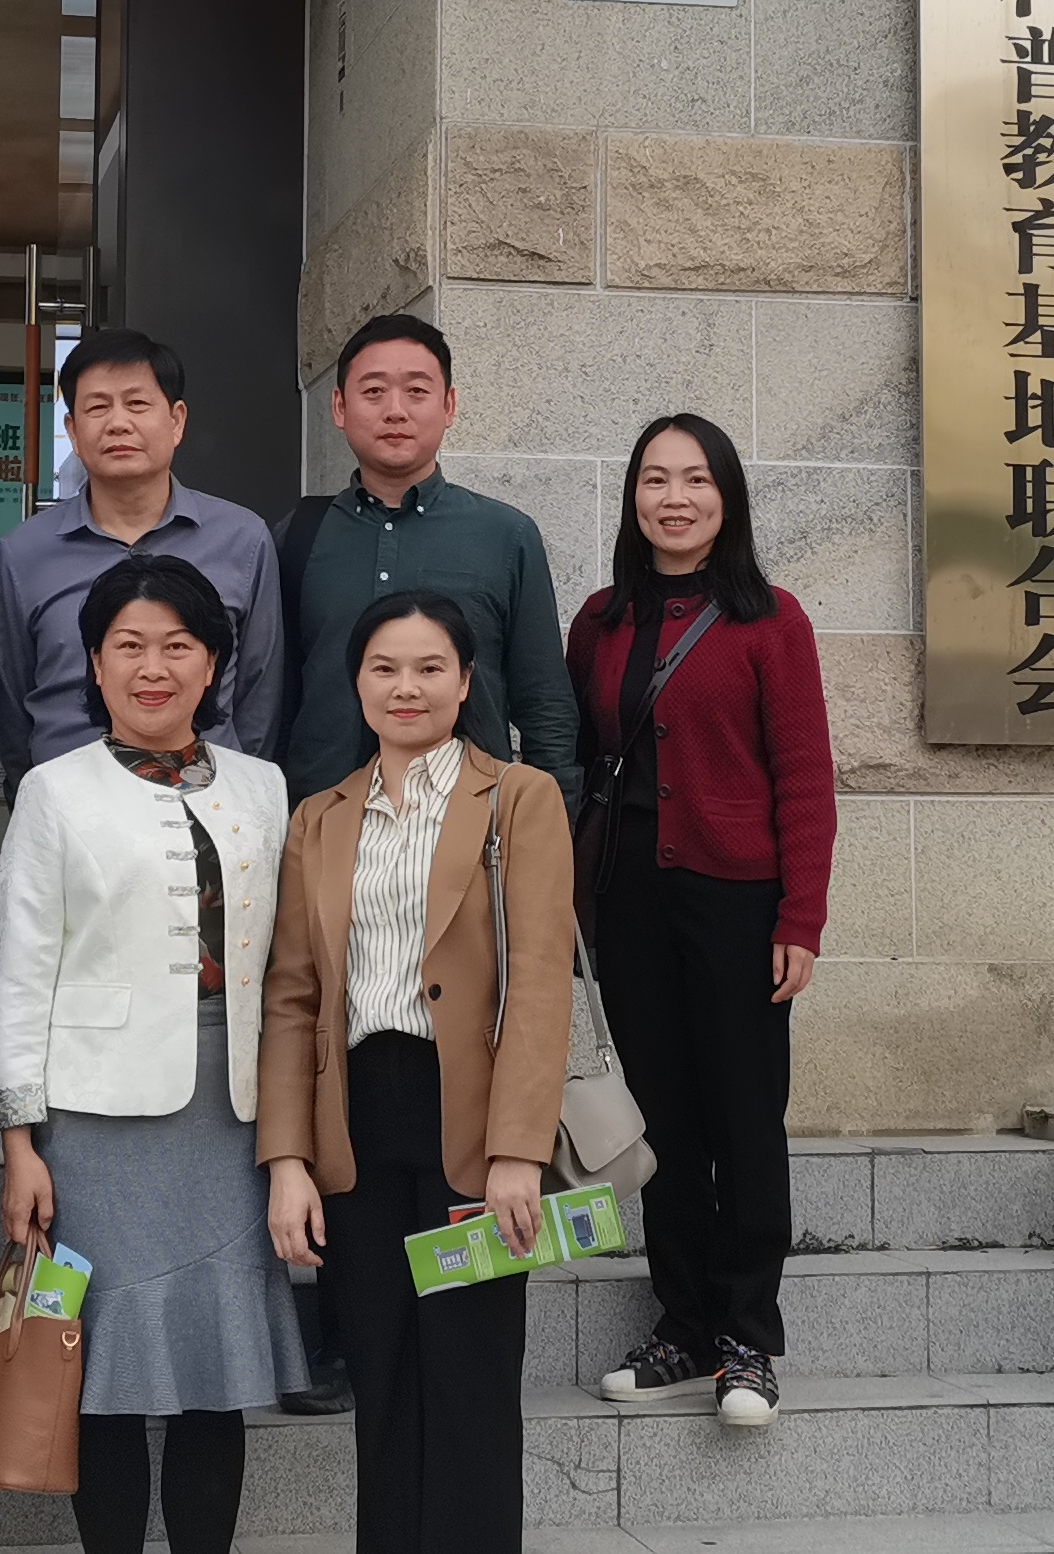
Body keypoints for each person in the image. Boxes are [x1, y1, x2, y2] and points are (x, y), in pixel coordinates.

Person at [0, 553, 305, 1554]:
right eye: (128, 645)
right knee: (104, 1372)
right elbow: (22, 970)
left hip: (235, 1110)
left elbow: (292, 964)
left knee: (219, 1370)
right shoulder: (53, 790)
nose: (152, 666)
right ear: (94, 662)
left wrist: (293, 1133)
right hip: (97, 1118)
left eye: (178, 644)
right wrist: (19, 1138)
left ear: (214, 663)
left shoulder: (265, 786)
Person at [256, 590, 573, 1554]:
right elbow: (292, 996)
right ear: (356, 683)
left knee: (472, 1380)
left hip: (469, 1117)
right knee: (383, 1378)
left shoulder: (517, 797)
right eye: (385, 668)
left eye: (431, 668)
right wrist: (287, 1160)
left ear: (466, 682)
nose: (408, 687)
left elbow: (540, 980)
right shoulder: (319, 818)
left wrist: (517, 1150)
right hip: (358, 1120)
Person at [571, 413, 834, 1428]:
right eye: (655, 479)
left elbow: (804, 777)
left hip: (737, 900)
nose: (673, 498)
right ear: (632, 496)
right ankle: (680, 1322)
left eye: (695, 479)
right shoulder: (601, 621)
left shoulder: (772, 620)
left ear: (727, 498)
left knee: (743, 1114)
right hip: (629, 898)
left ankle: (748, 1336)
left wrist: (800, 916)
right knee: (663, 1119)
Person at [273, 314, 579, 813]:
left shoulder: (506, 535)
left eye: (416, 391)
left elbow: (544, 703)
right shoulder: (299, 535)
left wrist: (553, 823)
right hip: (325, 820)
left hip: (468, 825)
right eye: (374, 392)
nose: (395, 411)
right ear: (340, 407)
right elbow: (275, 699)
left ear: (449, 405)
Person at [0, 328, 284, 796]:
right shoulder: (23, 554)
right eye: (98, 407)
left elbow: (259, 694)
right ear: (72, 431)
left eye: (137, 403)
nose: (118, 423)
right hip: (72, 806)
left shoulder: (243, 539)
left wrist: (240, 796)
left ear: (177, 421)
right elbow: (11, 707)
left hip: (209, 803)